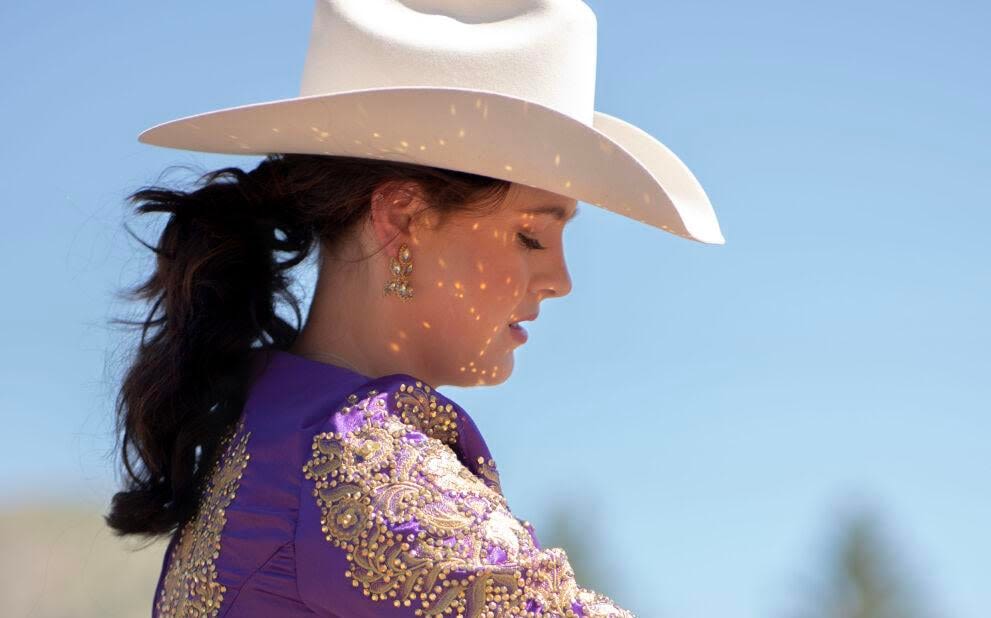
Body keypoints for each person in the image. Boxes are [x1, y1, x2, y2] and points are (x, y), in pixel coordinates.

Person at [106, 1, 723, 616]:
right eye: (530, 236)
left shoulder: (265, 432)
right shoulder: (362, 465)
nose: (559, 280)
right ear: (402, 219)